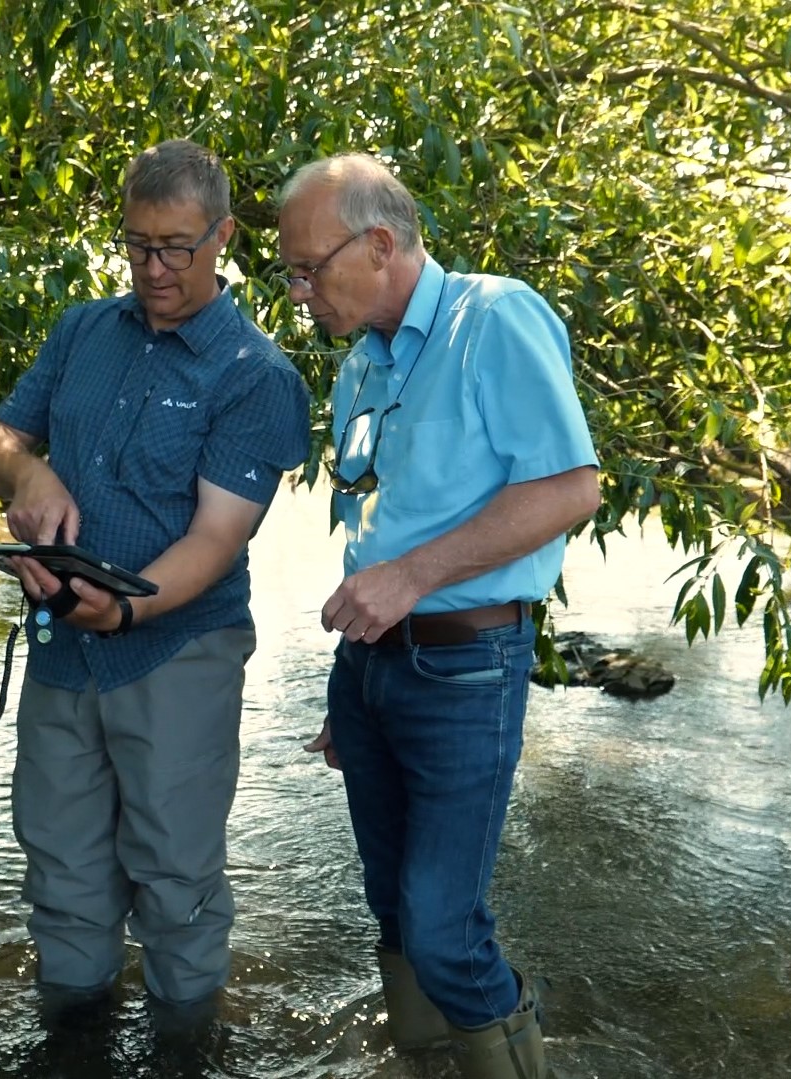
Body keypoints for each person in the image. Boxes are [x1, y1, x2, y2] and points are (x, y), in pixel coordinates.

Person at [0, 139, 311, 1024]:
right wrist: (29, 478)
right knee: (62, 863)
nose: (153, 268)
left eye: (176, 248)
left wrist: (123, 605)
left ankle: (184, 1043)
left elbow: (215, 537)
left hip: (178, 652)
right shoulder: (84, 329)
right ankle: (72, 1037)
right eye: (137, 245)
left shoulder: (257, 376)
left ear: (224, 236)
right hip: (62, 649)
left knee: (174, 873)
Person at [276, 154, 600, 1079]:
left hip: (468, 664)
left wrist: (409, 580)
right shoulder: (359, 370)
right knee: (392, 907)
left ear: (379, 244)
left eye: (309, 268)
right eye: (290, 273)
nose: (299, 292)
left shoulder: (494, 318)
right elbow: (378, 530)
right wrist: (357, 685)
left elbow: (572, 486)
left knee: (442, 926)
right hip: (372, 666)